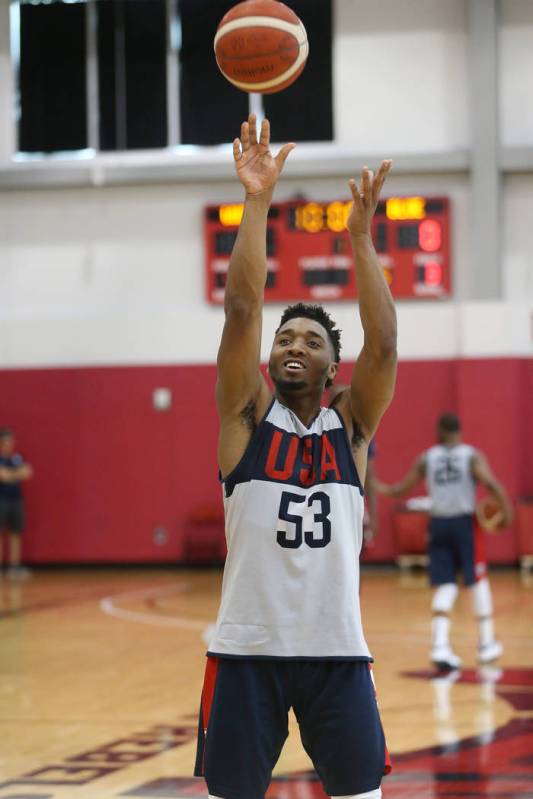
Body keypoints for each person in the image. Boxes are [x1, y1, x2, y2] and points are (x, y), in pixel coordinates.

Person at [194, 113, 397, 799]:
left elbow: (385, 345)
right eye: (286, 339)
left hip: (337, 650)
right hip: (247, 652)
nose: (292, 346)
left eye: (310, 340)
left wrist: (360, 241)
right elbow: (243, 305)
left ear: (334, 367)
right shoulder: (245, 419)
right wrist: (255, 201)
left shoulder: (352, 427)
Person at [375, 412, 513, 671]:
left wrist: (377, 486)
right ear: (459, 431)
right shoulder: (471, 456)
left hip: (438, 524)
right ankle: (486, 644)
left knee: (445, 585)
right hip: (464, 525)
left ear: (440, 430)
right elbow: (491, 483)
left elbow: (400, 490)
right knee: (477, 580)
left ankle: (440, 646)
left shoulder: (428, 457)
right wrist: (507, 512)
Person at [329, 383, 378, 544]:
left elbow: (369, 480)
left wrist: (373, 515)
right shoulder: (318, 429)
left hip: (350, 506)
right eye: (336, 400)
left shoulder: (360, 436)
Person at [0, 428, 33, 579]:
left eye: (11, 441)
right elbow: (3, 476)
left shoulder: (17, 458)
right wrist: (16, 474)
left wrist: (12, 474)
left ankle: (14, 567)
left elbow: (28, 471)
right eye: (6, 441)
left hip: (16, 500)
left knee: (15, 533)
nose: (9, 444)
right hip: (2, 500)